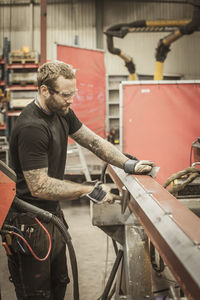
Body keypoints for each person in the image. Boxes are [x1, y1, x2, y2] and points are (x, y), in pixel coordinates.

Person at [6, 61, 154, 300]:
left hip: (51, 216)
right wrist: (91, 190)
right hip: (30, 223)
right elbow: (39, 186)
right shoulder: (32, 127)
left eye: (72, 94)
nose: (71, 100)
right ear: (45, 91)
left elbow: (93, 141)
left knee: (59, 285)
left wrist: (127, 163)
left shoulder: (62, 112)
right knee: (37, 294)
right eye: (66, 94)